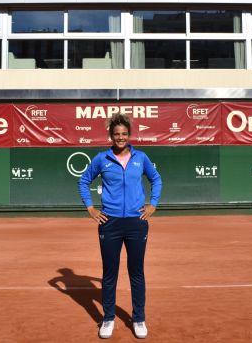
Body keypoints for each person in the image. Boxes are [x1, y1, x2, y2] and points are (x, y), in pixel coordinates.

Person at [78, 113, 162, 339]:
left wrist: (153, 204)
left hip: (136, 222)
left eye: (124, 134)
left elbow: (156, 179)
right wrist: (91, 208)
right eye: (116, 134)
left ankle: (139, 318)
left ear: (129, 135)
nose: (120, 138)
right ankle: (107, 319)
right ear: (111, 136)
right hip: (110, 223)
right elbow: (84, 181)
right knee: (109, 273)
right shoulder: (101, 159)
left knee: (136, 272)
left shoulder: (141, 157)